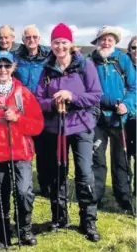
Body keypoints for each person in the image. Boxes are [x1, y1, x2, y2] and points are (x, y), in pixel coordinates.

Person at [35, 23, 102, 242]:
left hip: (81, 125)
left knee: (84, 172)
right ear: (51, 45)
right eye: (56, 42)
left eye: (64, 42)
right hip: (56, 128)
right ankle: (59, 216)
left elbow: (95, 95)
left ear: (70, 44)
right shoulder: (46, 70)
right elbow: (38, 100)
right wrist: (53, 103)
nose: (60, 46)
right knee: (57, 174)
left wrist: (72, 96)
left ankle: (88, 220)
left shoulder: (85, 66)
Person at [0, 50, 43, 250]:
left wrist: (18, 119)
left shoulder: (23, 93)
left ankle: (24, 229)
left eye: (7, 65)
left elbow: (37, 125)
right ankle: (2, 235)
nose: (3, 69)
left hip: (21, 152)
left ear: (13, 68)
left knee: (23, 192)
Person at [89, 26, 136, 213]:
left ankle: (124, 198)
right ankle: (96, 197)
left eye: (109, 39)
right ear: (97, 41)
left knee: (121, 159)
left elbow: (134, 88)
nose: (105, 42)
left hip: (119, 118)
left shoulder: (123, 60)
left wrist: (127, 105)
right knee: (97, 158)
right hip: (97, 117)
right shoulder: (90, 61)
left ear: (115, 41)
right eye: (102, 39)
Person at [11, 24, 51, 197]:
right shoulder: (16, 57)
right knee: (23, 149)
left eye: (34, 37)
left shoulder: (48, 57)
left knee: (43, 150)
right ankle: (21, 184)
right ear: (23, 40)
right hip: (22, 109)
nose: (31, 40)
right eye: (28, 38)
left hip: (42, 108)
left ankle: (45, 185)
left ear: (39, 38)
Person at [126, 36, 136, 196]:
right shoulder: (124, 67)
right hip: (126, 117)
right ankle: (124, 188)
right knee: (124, 154)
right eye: (134, 47)